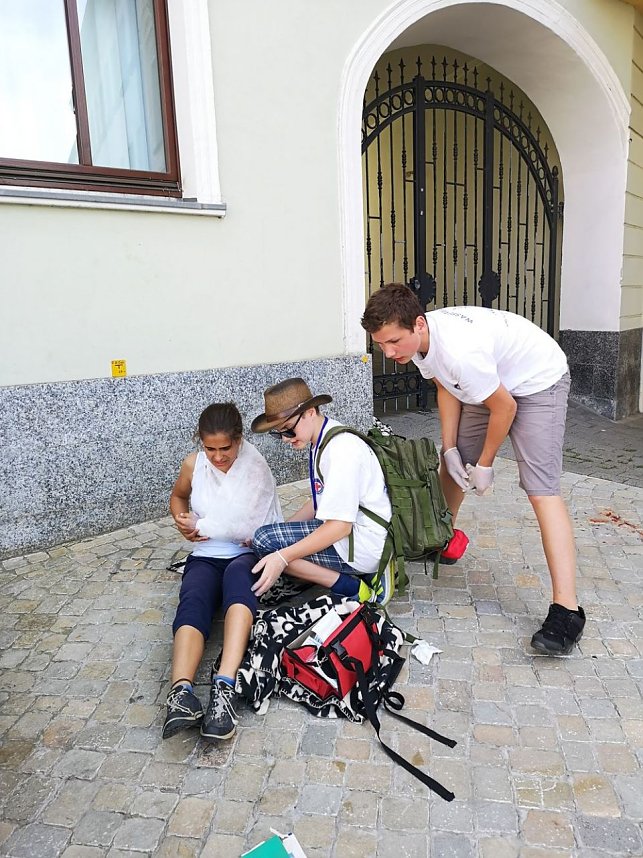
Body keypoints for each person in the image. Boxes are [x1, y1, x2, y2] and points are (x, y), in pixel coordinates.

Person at [361, 283, 585, 656]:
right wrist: (449, 449)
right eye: (380, 344)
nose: (387, 352)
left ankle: (567, 610)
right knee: (452, 464)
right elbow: (447, 387)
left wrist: (485, 465)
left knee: (541, 489)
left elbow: (506, 408)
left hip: (537, 381)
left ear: (418, 324)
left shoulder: (460, 351)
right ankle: (441, 538)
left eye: (393, 342)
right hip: (492, 383)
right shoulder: (419, 344)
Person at [164, 402, 282, 741]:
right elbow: (177, 497)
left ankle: (224, 686)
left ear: (240, 440)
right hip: (206, 552)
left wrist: (204, 524)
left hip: (248, 551)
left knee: (237, 585)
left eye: (225, 448)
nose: (217, 457)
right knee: (194, 595)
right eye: (210, 448)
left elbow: (245, 524)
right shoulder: (193, 464)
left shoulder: (254, 466)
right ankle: (181, 693)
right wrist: (182, 524)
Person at [250, 378, 395, 604]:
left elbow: (339, 527)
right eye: (278, 434)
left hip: (363, 543)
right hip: (358, 532)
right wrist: (282, 532)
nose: (286, 440)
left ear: (309, 412)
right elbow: (319, 501)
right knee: (269, 538)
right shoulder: (324, 438)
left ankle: (354, 585)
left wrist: (282, 555)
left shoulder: (340, 451)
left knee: (264, 542)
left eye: (288, 430)